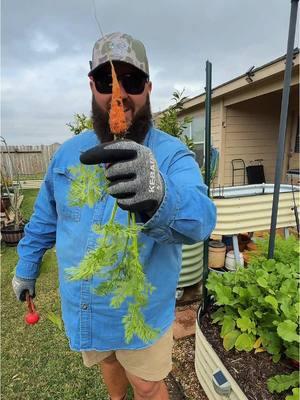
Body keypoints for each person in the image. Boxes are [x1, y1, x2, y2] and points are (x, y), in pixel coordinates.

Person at [12, 32, 216, 400]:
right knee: (109, 365)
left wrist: (160, 194)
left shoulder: (171, 155)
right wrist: (26, 267)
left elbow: (201, 220)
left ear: (148, 88)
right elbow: (45, 219)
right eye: (107, 81)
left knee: (148, 384)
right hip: (86, 304)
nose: (118, 94)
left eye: (131, 81)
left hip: (141, 308)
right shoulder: (67, 154)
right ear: (92, 85)